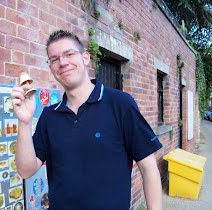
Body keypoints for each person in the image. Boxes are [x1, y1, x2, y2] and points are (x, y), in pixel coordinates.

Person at [11, 30, 163, 210]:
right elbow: (26, 170)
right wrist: (25, 122)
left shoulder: (120, 104)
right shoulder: (49, 116)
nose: (63, 62)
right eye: (54, 59)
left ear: (85, 58)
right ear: (51, 68)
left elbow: (149, 169)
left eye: (69, 54)